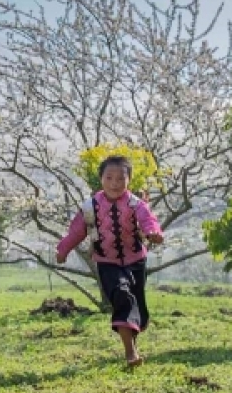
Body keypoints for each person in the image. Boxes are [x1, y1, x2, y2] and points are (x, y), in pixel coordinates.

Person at [56, 155, 164, 367]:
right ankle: (130, 353)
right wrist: (63, 250)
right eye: (109, 178)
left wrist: (153, 233)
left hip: (136, 261)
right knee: (122, 295)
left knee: (138, 307)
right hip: (107, 263)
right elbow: (77, 231)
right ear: (101, 179)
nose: (114, 183)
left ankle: (132, 342)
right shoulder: (90, 207)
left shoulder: (136, 204)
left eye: (120, 179)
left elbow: (148, 221)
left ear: (129, 180)